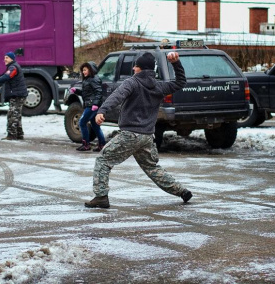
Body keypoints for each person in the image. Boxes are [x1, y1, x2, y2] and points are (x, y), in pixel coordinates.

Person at [85, 51, 192, 209]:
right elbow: (181, 82)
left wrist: (102, 110)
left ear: (139, 68)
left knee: (103, 159)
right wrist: (176, 64)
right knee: (152, 167)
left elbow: (117, 96)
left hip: (130, 135)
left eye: (135, 66)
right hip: (147, 136)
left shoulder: (132, 82)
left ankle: (101, 196)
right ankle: (182, 191)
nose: (133, 68)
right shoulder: (159, 85)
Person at [0, 51, 28, 140]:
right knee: (16, 115)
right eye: (4, 57)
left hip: (17, 95)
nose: (4, 59)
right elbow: (5, 76)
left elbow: (7, 76)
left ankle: (12, 135)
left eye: (7, 57)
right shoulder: (12, 67)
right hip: (18, 94)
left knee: (12, 114)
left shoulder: (13, 67)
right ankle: (19, 134)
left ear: (12, 58)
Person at [69, 61, 106, 152]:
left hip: (92, 106)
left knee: (82, 122)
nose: (84, 72)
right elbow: (87, 94)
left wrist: (95, 104)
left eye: (85, 70)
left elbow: (98, 92)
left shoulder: (94, 79)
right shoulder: (87, 79)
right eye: (83, 70)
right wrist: (76, 91)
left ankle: (86, 144)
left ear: (91, 69)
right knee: (95, 125)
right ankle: (102, 144)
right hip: (90, 104)